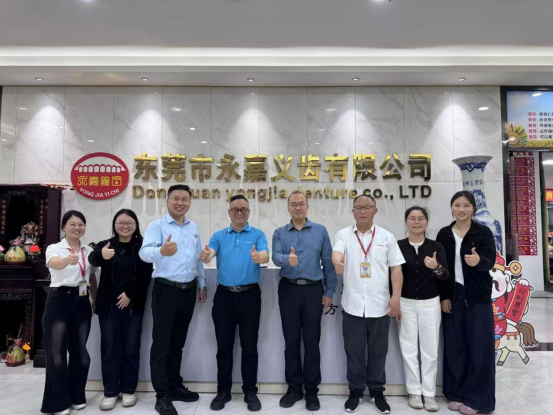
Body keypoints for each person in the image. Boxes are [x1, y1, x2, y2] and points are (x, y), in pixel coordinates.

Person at [332, 195, 404, 414]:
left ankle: (376, 392)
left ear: (375, 210)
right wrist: (337, 260)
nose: (362, 211)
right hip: (352, 305)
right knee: (353, 352)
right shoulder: (343, 234)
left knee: (378, 352)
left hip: (380, 305)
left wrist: (396, 297)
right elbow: (337, 252)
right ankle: (355, 392)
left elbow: (396, 268)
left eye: (367, 207)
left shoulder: (386, 237)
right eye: (358, 207)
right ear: (353, 211)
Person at [139, 184, 207, 415]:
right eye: (176, 198)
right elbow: (144, 253)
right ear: (167, 201)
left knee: (177, 343)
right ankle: (162, 395)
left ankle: (175, 385)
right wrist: (161, 251)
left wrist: (202, 283)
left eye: (184, 199)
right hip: (166, 290)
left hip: (188, 290)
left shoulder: (194, 227)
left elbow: (198, 259)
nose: (180, 203)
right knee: (161, 344)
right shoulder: (156, 226)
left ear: (190, 202)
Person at [199, 195, 269, 412]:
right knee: (224, 347)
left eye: (243, 209)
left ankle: (250, 391)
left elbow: (265, 255)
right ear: (229, 212)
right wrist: (205, 255)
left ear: (249, 212)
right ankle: (223, 391)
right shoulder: (219, 236)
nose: (239, 213)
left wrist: (259, 257)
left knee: (250, 346)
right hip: (224, 297)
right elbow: (209, 254)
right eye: (235, 209)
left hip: (250, 296)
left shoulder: (258, 234)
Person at [271, 190, 337, 411]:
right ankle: (294, 388)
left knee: (311, 342)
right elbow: (275, 256)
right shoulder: (280, 232)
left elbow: (327, 262)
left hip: (313, 291)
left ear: (307, 206)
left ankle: (311, 391)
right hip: (288, 290)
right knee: (291, 342)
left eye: (301, 204)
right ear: (288, 208)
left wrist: (329, 291)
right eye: (293, 204)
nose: (297, 207)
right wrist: (286, 259)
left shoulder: (320, 231)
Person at [437, 191, 496, 415]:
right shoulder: (444, 234)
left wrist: (479, 260)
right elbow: (441, 270)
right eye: (457, 205)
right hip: (453, 296)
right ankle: (456, 393)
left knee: (479, 348)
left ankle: (479, 400)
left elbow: (490, 262)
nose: (461, 209)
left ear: (473, 208)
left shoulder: (483, 232)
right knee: (455, 347)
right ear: (451, 207)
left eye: (466, 205)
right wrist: (444, 296)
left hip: (477, 297)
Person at [88, 209, 153, 411]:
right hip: (108, 306)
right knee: (109, 348)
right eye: (121, 222)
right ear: (115, 225)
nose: (125, 226)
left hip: (133, 305)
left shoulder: (142, 246)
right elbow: (92, 259)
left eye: (129, 222)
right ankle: (110, 392)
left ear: (135, 225)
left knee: (131, 348)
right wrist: (101, 254)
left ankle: (128, 390)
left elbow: (145, 274)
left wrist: (130, 294)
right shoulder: (106, 244)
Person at [41, 211, 98, 415]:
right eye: (72, 224)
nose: (77, 228)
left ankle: (77, 396)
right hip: (59, 300)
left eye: (81, 224)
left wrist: (95, 301)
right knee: (56, 354)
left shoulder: (88, 250)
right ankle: (58, 403)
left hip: (82, 301)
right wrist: (67, 260)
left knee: (80, 353)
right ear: (64, 227)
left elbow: (91, 277)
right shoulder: (54, 248)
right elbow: (53, 263)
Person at [397, 206, 449, 412]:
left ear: (426, 223)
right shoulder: (398, 246)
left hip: (430, 303)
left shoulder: (436, 246)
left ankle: (429, 394)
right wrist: (394, 301)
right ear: (406, 222)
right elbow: (392, 275)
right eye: (412, 218)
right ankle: (414, 392)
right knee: (408, 349)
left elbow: (445, 275)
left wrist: (436, 267)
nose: (416, 222)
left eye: (420, 218)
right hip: (405, 303)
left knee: (430, 350)